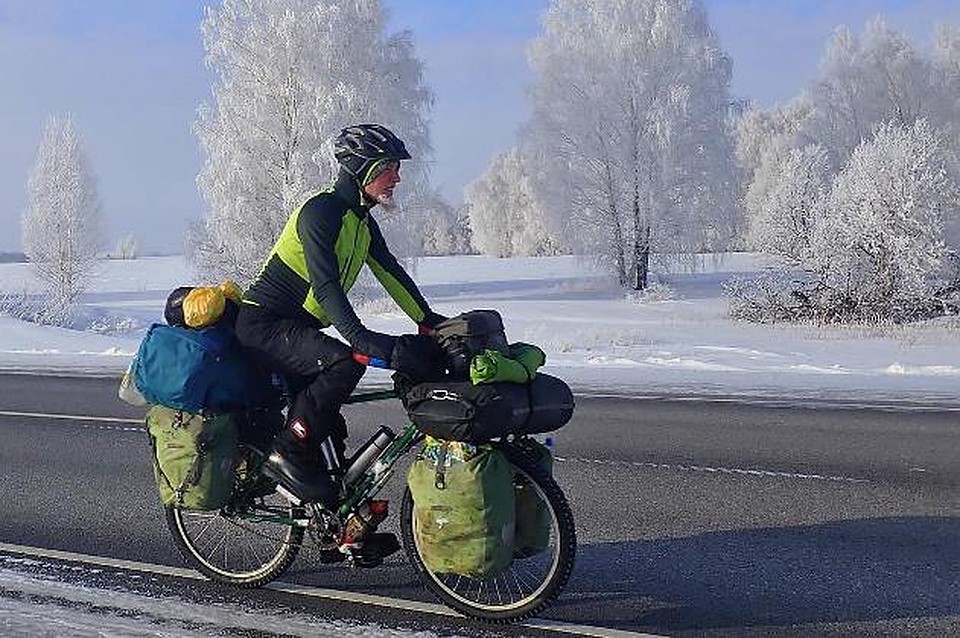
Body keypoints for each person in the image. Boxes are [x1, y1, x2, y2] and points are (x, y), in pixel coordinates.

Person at [235, 123, 445, 508]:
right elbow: (325, 285)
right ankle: (285, 454)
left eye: (397, 168)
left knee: (329, 426)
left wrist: (428, 320)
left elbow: (391, 274)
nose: (396, 177)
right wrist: (358, 337)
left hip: (296, 327)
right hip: (263, 324)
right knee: (344, 365)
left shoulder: (362, 222)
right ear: (361, 169)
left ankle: (338, 521)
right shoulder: (322, 212)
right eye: (388, 167)